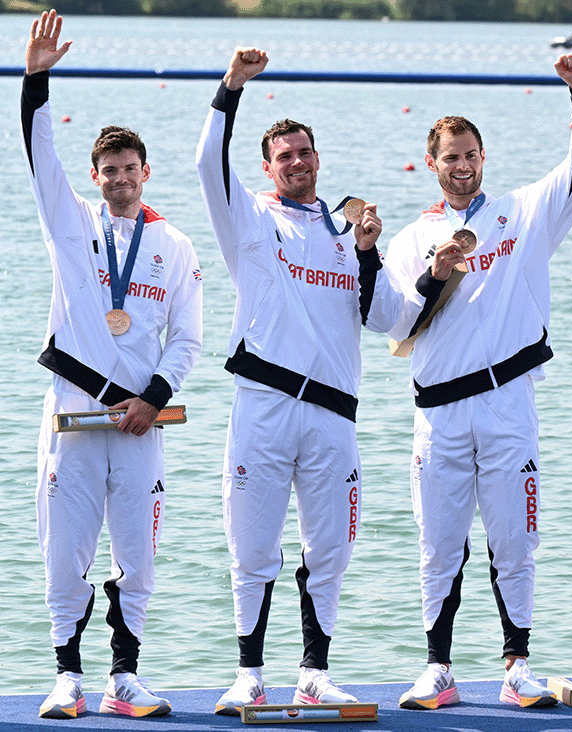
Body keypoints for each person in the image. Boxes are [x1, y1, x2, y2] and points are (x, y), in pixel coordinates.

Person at [384, 52, 572, 710]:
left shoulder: (522, 213)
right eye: (450, 156)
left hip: (510, 403)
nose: (462, 165)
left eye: (470, 153)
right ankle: (438, 670)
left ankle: (516, 666)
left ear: (484, 157)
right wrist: (434, 273)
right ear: (433, 164)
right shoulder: (411, 237)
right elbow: (390, 323)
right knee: (437, 545)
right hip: (440, 412)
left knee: (514, 539)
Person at [196, 47, 403, 715]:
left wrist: (373, 254)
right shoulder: (250, 222)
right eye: (284, 155)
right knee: (253, 549)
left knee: (330, 549)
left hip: (334, 417)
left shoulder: (349, 230)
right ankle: (249, 673)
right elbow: (205, 164)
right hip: (264, 404)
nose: (296, 162)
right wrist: (231, 88)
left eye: (304, 152)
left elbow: (388, 318)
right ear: (268, 166)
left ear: (318, 158)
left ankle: (313, 673)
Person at [22, 10, 203, 720]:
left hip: (138, 423)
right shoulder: (71, 224)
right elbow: (40, 157)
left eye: (131, 170)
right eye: (109, 171)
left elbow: (187, 341)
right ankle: (66, 674)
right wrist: (35, 81)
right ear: (95, 177)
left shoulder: (176, 246)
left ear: (145, 173)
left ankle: (123, 677)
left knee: (139, 555)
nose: (120, 179)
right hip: (72, 414)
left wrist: (152, 398)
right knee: (65, 552)